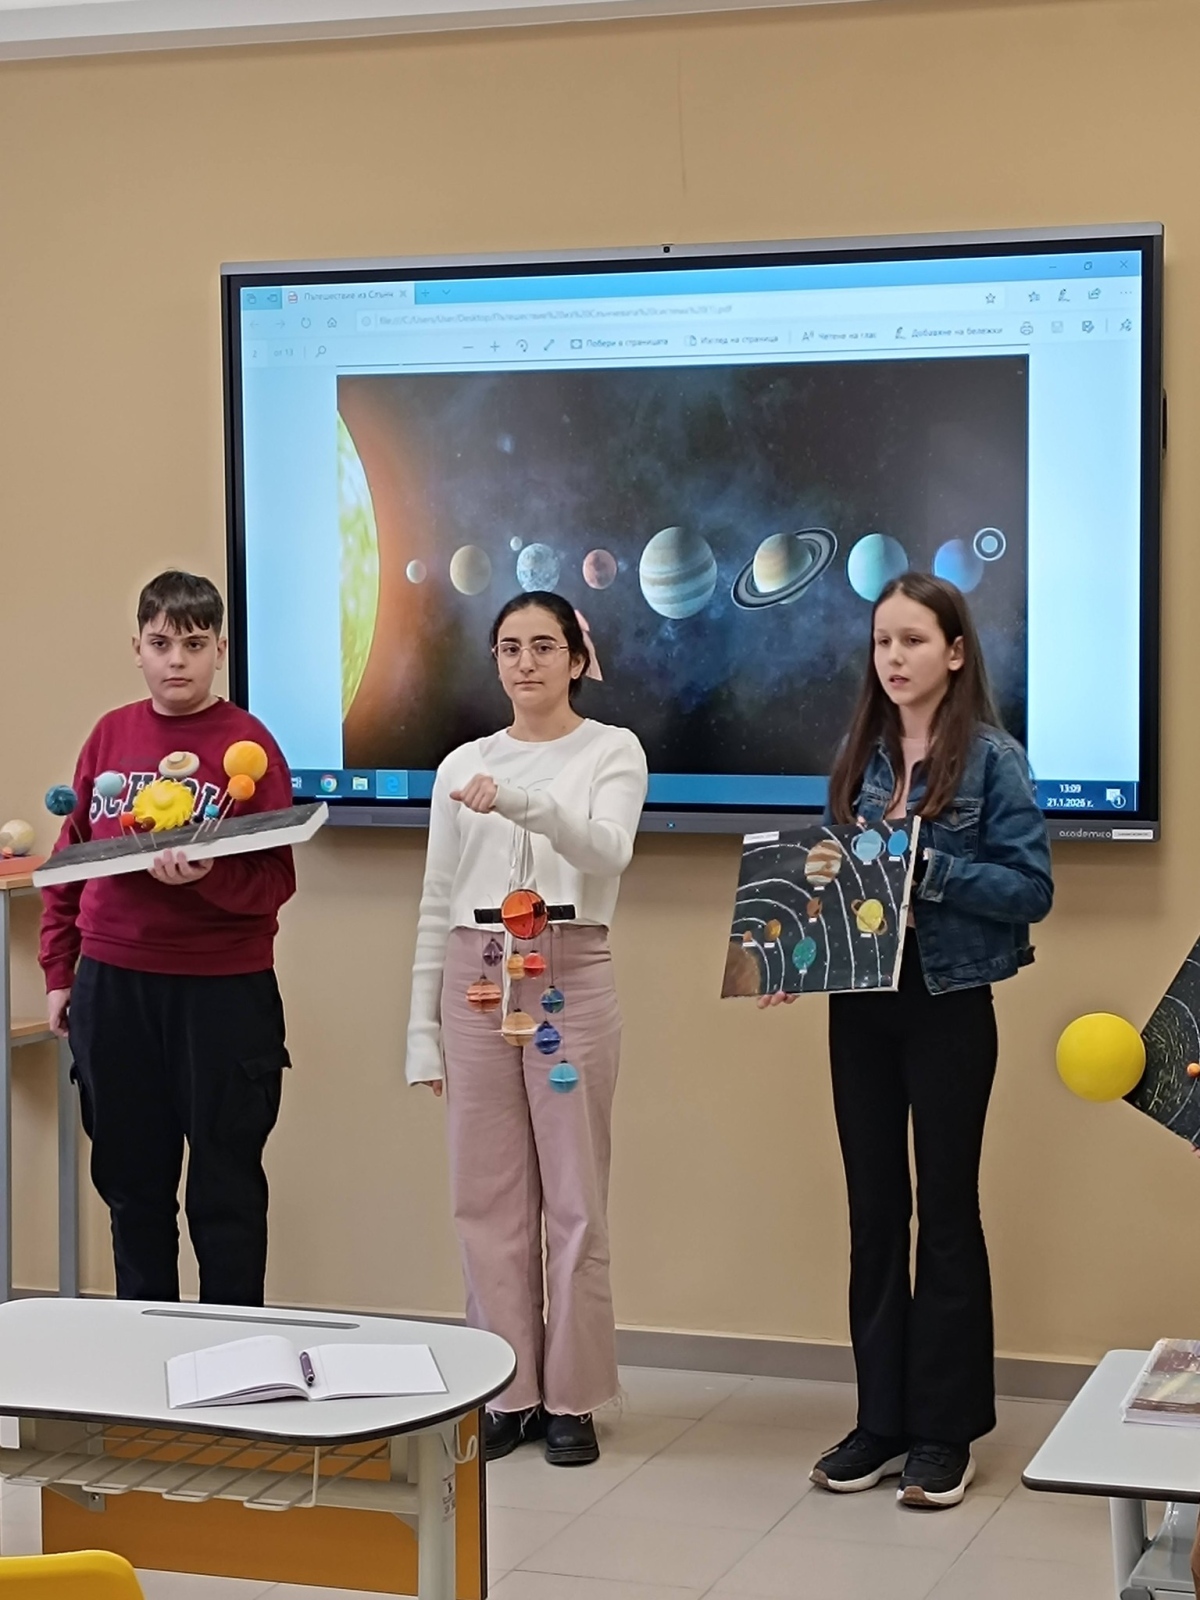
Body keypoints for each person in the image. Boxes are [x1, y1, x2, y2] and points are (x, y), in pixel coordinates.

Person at [766, 573, 1053, 1509]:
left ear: (955, 653)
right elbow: (828, 872)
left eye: (915, 640)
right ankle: (881, 1422)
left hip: (949, 1000)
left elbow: (1031, 889)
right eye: (883, 641)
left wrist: (930, 865)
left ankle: (944, 1432)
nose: (894, 657)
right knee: (874, 1213)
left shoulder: (993, 760)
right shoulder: (861, 752)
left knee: (949, 1213)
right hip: (861, 1001)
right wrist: (793, 953)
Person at [406, 590, 647, 1467]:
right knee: (487, 1199)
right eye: (510, 647)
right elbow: (437, 898)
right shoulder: (460, 763)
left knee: (575, 1198)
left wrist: (518, 800)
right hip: (474, 974)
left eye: (544, 646)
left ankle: (573, 1398)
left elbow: (607, 850)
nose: (526, 663)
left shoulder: (611, 750)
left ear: (576, 660)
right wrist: (419, 1031)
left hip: (567, 968)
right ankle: (507, 1391)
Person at [39, 570, 295, 1306]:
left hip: (223, 993)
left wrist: (207, 877)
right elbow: (71, 859)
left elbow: (274, 882)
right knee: (132, 1188)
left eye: (193, 644)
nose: (176, 660)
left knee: (227, 1191)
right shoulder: (110, 735)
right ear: (137, 649)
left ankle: (233, 1353)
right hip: (113, 986)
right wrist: (60, 971)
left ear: (220, 650)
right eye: (160, 644)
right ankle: (144, 1351)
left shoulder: (249, 744)